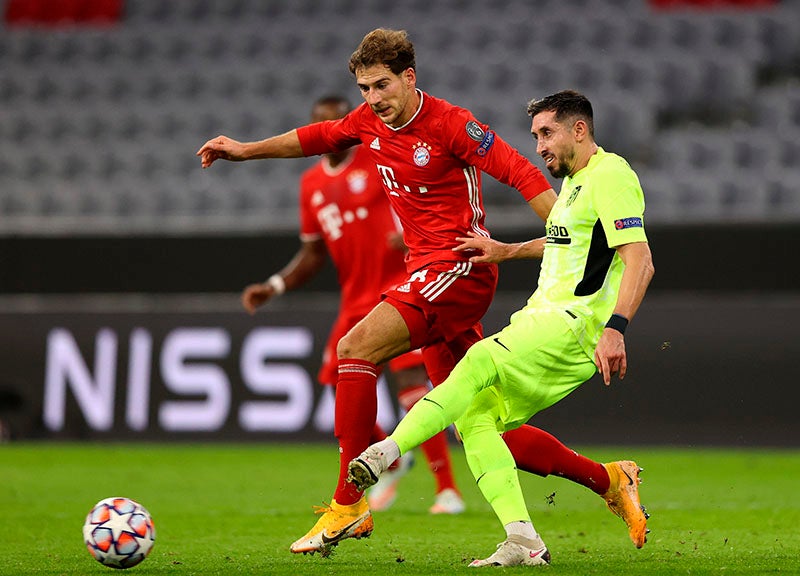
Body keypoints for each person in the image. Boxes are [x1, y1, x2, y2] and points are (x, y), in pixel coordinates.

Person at [198, 29, 643, 557]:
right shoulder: (368, 120)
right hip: (426, 272)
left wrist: (561, 226)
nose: (372, 98)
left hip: (459, 268)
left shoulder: (453, 124)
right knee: (476, 417)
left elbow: (518, 168)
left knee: (354, 349)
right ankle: (609, 481)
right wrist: (245, 150)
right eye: (364, 88)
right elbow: (316, 137)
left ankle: (349, 502)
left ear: (409, 78)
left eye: (381, 85)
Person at [348, 89, 655, 567]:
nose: (539, 147)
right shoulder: (577, 183)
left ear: (580, 129)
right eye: (534, 137)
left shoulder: (612, 174)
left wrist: (616, 327)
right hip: (544, 318)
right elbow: (568, 241)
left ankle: (387, 452)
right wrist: (508, 250)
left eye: (547, 133)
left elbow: (639, 258)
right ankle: (523, 539)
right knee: (475, 418)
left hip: (575, 323)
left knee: (478, 360)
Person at [241, 94, 466, 515]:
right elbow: (312, 253)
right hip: (354, 298)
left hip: (401, 284)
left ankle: (446, 489)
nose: (331, 132)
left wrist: (416, 231)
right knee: (336, 384)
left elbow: (419, 190)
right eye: (321, 123)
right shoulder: (310, 184)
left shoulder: (374, 156)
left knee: (413, 388)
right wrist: (274, 285)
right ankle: (392, 457)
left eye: (336, 121)